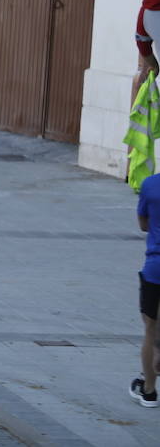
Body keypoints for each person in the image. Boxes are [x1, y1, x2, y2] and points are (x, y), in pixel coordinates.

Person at [135, 171, 160, 407]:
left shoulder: (151, 184)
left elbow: (143, 224)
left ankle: (149, 391)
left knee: (151, 329)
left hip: (155, 267)